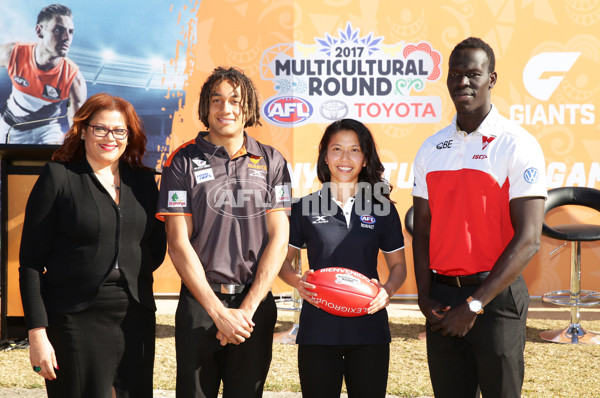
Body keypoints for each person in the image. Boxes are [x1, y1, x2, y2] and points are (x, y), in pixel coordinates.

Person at [411, 37, 547, 398]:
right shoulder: (430, 148)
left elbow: (530, 237)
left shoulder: (517, 143)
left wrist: (474, 304)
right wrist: (424, 296)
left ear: (492, 79)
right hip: (442, 298)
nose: (463, 82)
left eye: (473, 73)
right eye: (455, 74)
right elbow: (422, 230)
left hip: (496, 298)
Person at [19, 92, 166, 397]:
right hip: (74, 318)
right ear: (83, 130)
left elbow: (155, 247)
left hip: (135, 317)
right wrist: (37, 334)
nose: (109, 137)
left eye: (119, 130)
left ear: (129, 136)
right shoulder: (58, 177)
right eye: (100, 128)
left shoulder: (143, 181)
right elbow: (31, 264)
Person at [156, 66, 290, 398]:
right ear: (205, 107)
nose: (225, 109)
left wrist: (246, 309)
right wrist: (217, 312)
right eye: (217, 100)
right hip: (200, 305)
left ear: (249, 108)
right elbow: (177, 242)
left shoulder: (272, 160)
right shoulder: (182, 160)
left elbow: (280, 237)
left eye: (235, 100)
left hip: (254, 304)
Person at [278, 118, 407, 398]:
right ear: (325, 155)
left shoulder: (382, 209)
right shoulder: (304, 207)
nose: (345, 158)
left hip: (369, 331)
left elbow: (398, 267)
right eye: (336, 149)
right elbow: (283, 262)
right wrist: (297, 281)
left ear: (365, 158)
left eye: (354, 150)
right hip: (318, 330)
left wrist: (387, 291)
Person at [0, 4, 86, 144]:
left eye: (71, 32)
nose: (67, 37)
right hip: (8, 125)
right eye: (59, 30)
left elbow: (78, 131)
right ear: (40, 31)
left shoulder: (74, 79)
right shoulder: (13, 54)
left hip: (46, 131)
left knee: (57, 162)